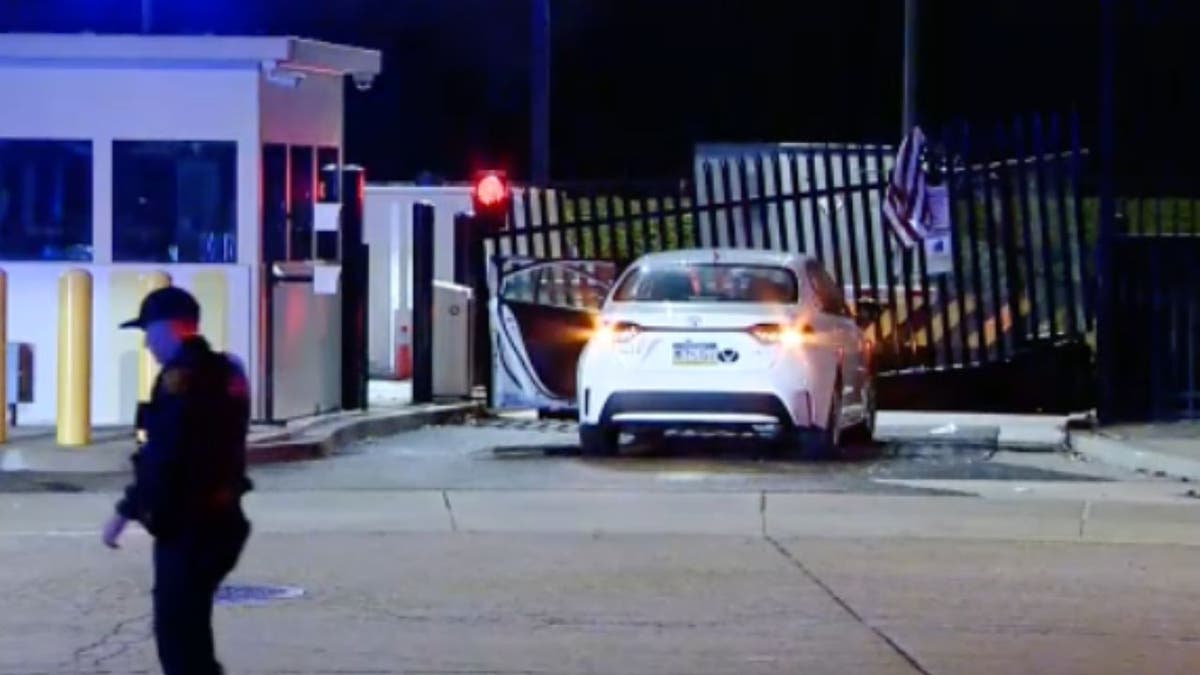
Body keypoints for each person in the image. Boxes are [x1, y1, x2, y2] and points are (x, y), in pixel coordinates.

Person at [101, 285, 253, 675]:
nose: (147, 344)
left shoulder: (179, 379)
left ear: (169, 327)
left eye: (149, 332)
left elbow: (164, 456)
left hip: (190, 526)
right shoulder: (228, 369)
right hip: (223, 519)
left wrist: (125, 512)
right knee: (191, 635)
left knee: (179, 641)